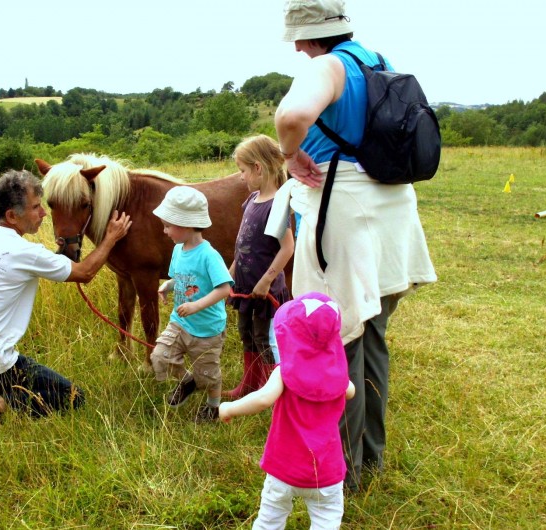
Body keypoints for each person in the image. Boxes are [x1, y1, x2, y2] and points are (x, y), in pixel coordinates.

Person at [265, 0, 437, 490]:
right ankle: (371, 459)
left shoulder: (327, 66)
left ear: (314, 33)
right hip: (392, 208)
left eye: (299, 37)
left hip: (345, 211)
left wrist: (289, 154)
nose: (297, 48)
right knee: (373, 335)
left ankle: (343, 472)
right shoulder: (377, 61)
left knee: (337, 340)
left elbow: (293, 114)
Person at [0, 169, 132, 433]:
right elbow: (85, 273)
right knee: (71, 397)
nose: (44, 213)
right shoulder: (25, 252)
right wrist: (111, 237)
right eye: (36, 207)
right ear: (12, 216)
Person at [220, 292, 356, 530]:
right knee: (326, 520)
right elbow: (351, 391)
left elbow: (263, 399)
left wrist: (229, 408)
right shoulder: (339, 377)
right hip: (326, 471)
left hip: (284, 467)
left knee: (270, 519)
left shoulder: (284, 373)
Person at [150, 186, 234, 423]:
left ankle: (212, 407)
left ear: (186, 224)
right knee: (160, 356)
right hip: (180, 323)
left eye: (168, 225)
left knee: (208, 375)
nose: (165, 231)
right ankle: (187, 381)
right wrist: (168, 286)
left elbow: (224, 289)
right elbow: (182, 278)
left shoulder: (209, 255)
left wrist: (196, 306)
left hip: (206, 329)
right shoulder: (178, 250)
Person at [223, 134, 294, 399]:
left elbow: (287, 248)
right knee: (246, 333)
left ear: (258, 168)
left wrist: (266, 280)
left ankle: (269, 389)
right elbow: (243, 246)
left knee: (263, 338)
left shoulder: (277, 205)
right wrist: (230, 274)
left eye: (242, 170)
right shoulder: (252, 200)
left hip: (265, 290)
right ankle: (250, 384)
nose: (241, 177)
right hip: (245, 287)